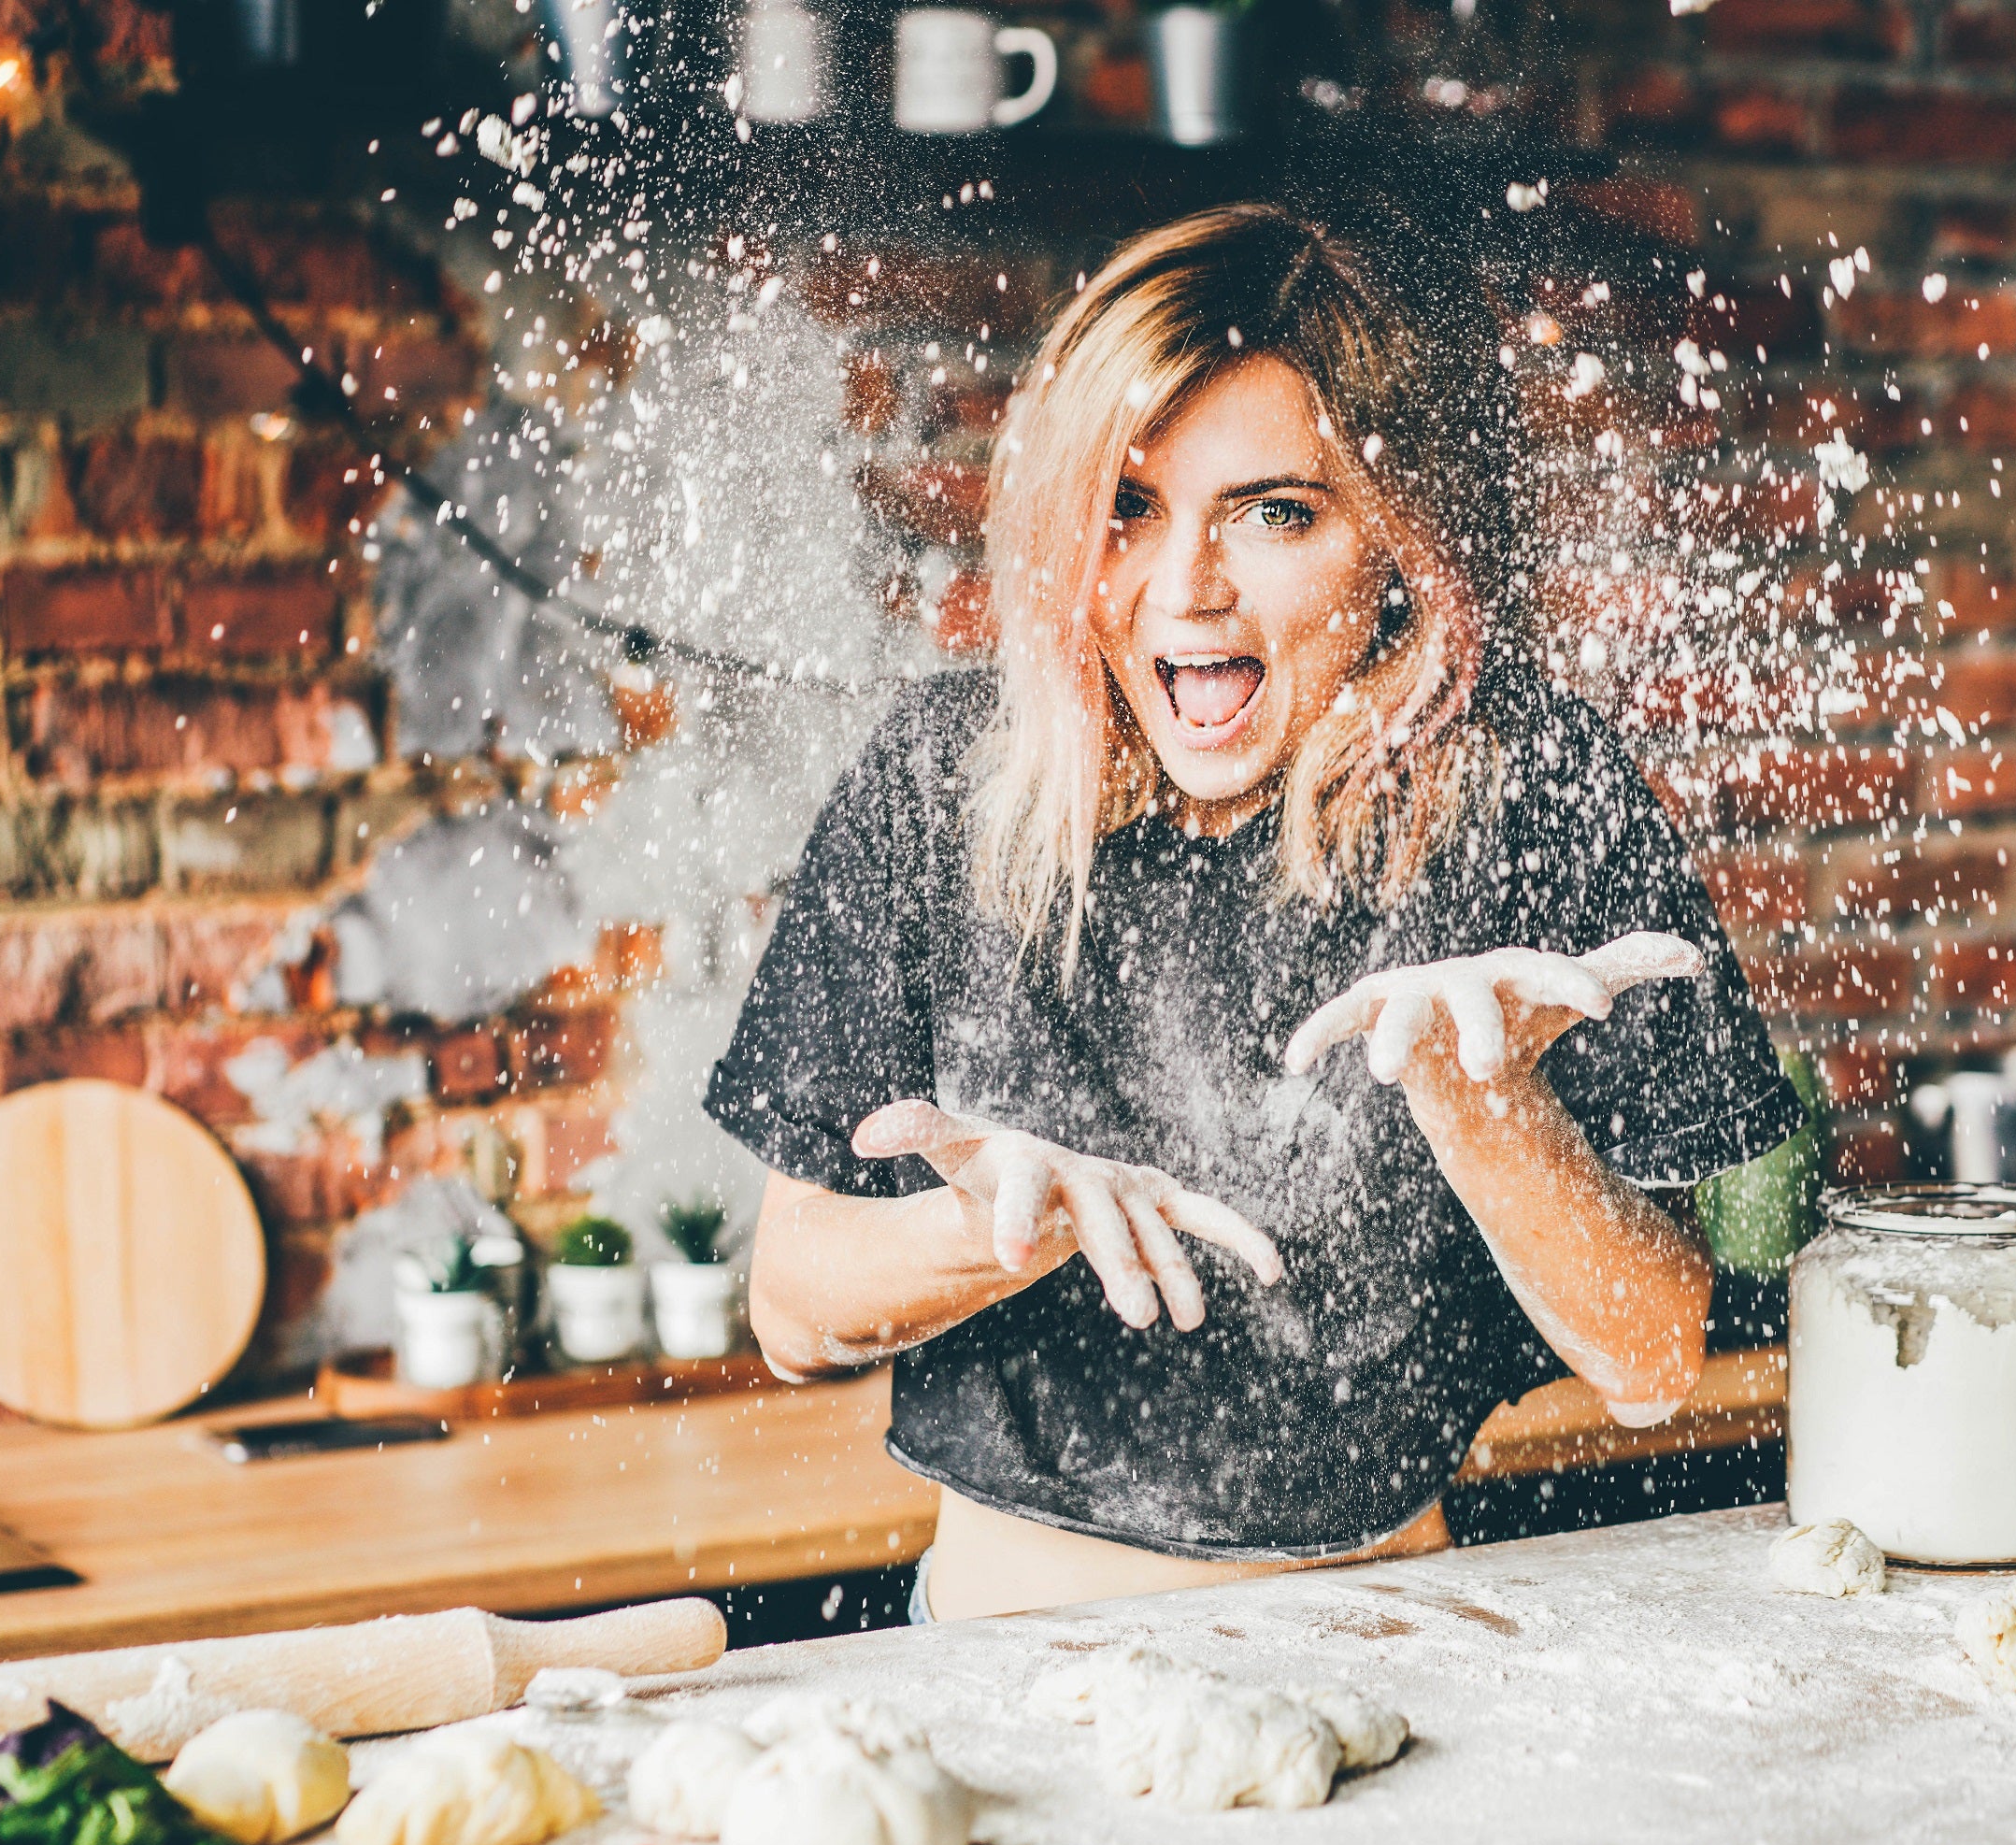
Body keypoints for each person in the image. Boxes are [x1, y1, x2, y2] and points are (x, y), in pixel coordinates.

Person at [705, 202, 1803, 1621]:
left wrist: (1479, 1100)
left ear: (1394, 544)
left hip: (1390, 1652)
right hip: (995, 1656)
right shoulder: (941, 785)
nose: (1188, 590)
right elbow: (793, 1310)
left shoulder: (1527, 786)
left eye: (1275, 513)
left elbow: (1654, 1359)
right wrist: (1015, 1232)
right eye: (1128, 509)